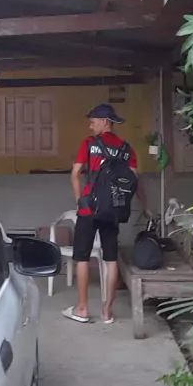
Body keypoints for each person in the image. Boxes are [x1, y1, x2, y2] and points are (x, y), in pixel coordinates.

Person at [63, 104, 149, 325]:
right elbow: (134, 182)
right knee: (111, 259)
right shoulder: (127, 149)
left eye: (93, 121)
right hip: (112, 209)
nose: (90, 125)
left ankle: (82, 309)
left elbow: (75, 174)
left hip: (88, 208)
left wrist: (79, 200)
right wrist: (146, 206)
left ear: (104, 121)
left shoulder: (89, 143)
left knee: (81, 258)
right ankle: (107, 312)